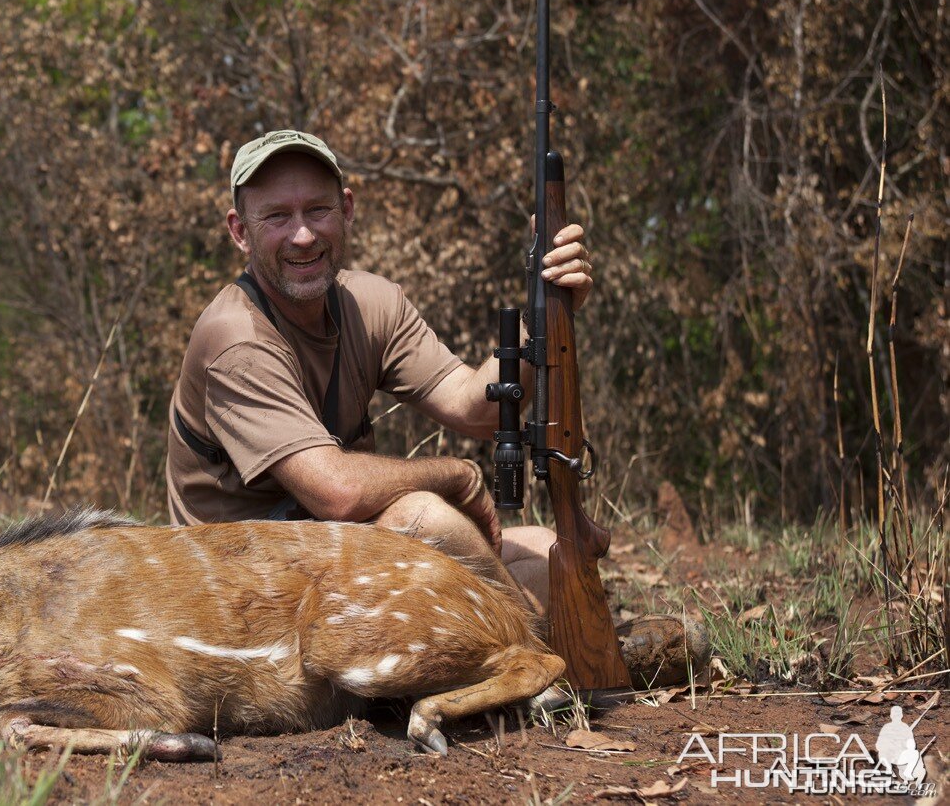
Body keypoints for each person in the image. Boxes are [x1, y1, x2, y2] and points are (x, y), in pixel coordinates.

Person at [167, 129, 703, 682]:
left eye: (318, 209)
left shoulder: (368, 302)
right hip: (244, 604)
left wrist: (545, 309)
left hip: (336, 563)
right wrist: (455, 475)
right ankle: (546, 656)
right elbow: (338, 491)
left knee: (547, 549)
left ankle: (525, 648)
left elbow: (479, 407)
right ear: (240, 231)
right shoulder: (235, 337)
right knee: (418, 516)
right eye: (276, 216)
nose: (302, 235)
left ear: (347, 210)